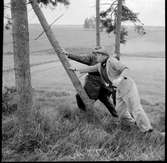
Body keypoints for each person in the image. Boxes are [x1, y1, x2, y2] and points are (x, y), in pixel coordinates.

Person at [70, 52, 153, 133]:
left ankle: (147, 129)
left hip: (127, 85)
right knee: (120, 111)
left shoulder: (111, 61)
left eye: (98, 55)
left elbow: (125, 68)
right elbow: (90, 68)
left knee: (135, 108)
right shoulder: (100, 65)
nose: (96, 57)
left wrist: (119, 79)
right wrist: (76, 69)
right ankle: (133, 125)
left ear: (103, 56)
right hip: (118, 89)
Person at [64, 47, 118, 117]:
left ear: (102, 54)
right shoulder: (92, 57)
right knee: (82, 97)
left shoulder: (107, 60)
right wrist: (68, 55)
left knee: (104, 99)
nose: (97, 56)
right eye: (96, 53)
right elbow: (82, 59)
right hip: (94, 82)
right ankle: (85, 113)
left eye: (99, 54)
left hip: (101, 83)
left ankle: (117, 115)